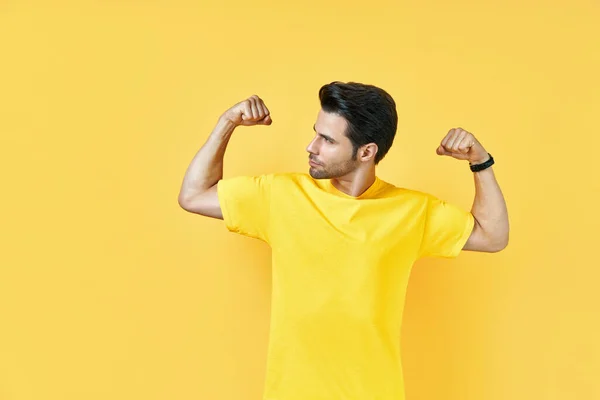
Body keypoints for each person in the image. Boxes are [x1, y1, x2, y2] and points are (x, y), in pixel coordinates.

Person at [178, 81, 509, 400]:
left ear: (366, 151)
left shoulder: (411, 211)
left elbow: (492, 235)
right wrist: (227, 123)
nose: (311, 146)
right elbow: (193, 195)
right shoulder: (280, 195)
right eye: (315, 133)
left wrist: (480, 162)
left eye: (327, 140)